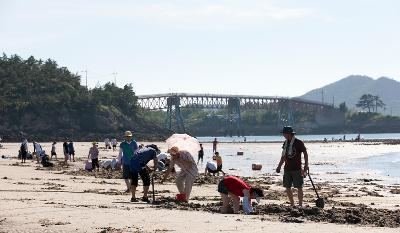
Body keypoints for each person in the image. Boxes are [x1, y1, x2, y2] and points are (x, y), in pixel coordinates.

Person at [275, 126, 309, 207]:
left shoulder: (299, 142)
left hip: (297, 168)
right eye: (283, 133)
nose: (283, 135)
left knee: (299, 187)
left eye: (284, 133)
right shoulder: (285, 143)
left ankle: (300, 204)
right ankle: (292, 204)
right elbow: (283, 156)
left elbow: (305, 153)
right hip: (287, 168)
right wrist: (279, 166)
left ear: (289, 134)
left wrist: (306, 165)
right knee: (287, 187)